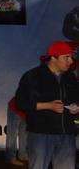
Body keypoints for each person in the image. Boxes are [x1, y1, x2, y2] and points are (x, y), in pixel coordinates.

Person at [15, 41, 79, 169]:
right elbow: (21, 102)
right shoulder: (33, 76)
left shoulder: (70, 77)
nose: (71, 61)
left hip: (66, 134)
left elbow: (76, 98)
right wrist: (48, 106)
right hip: (41, 134)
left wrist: (75, 106)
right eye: (66, 57)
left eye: (71, 57)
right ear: (53, 57)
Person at [5, 96, 28, 166]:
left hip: (26, 111)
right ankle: (11, 157)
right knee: (12, 133)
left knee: (24, 134)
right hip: (15, 108)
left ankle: (23, 155)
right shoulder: (34, 87)